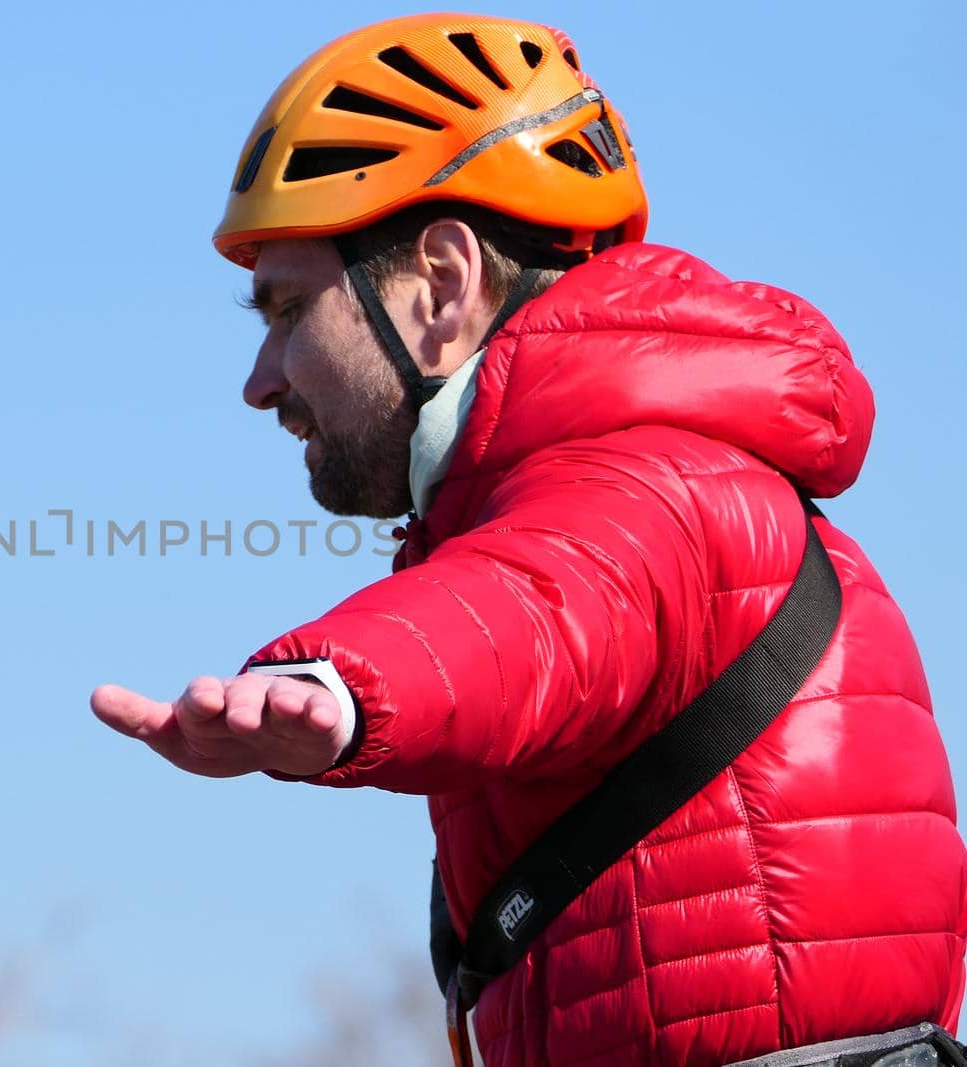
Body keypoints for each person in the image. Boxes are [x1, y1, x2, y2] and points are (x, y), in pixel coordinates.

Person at [90, 13, 967, 1066]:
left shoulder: (648, 480)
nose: (259, 379)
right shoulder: (617, 466)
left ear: (443, 284)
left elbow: (533, 607)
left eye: (286, 310)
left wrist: (341, 678)